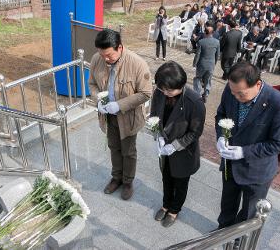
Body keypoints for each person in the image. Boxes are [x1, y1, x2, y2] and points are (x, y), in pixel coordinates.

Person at [215, 62, 280, 231]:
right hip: (230, 164)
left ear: (258, 84)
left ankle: (241, 239)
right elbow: (221, 114)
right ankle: (223, 231)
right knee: (227, 204)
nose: (235, 97)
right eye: (233, 92)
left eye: (240, 94)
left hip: (257, 170)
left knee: (249, 212)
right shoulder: (232, 89)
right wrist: (220, 136)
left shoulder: (279, 104)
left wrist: (244, 152)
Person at [88, 29, 152, 200]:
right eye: (102, 55)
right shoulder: (97, 59)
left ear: (120, 48)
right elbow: (92, 84)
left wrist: (120, 105)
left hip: (128, 117)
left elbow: (146, 92)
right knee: (113, 147)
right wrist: (98, 100)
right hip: (108, 116)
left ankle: (128, 181)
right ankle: (116, 178)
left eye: (109, 55)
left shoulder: (137, 63)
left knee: (128, 151)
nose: (105, 59)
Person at [150, 61, 205, 228]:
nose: (166, 93)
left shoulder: (194, 101)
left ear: (181, 85)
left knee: (180, 182)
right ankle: (166, 204)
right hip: (164, 147)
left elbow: (195, 132)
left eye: (170, 90)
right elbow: (154, 115)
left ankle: (174, 209)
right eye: (162, 89)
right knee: (166, 177)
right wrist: (157, 134)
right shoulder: (160, 92)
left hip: (183, 151)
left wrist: (175, 145)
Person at [193, 27, 220, 103]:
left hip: (201, 64)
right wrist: (214, 64)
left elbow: (197, 55)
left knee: (198, 78)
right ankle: (206, 93)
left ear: (205, 33)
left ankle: (197, 94)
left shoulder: (201, 42)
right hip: (211, 64)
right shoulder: (217, 42)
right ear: (213, 33)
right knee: (208, 80)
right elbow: (217, 55)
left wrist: (194, 64)